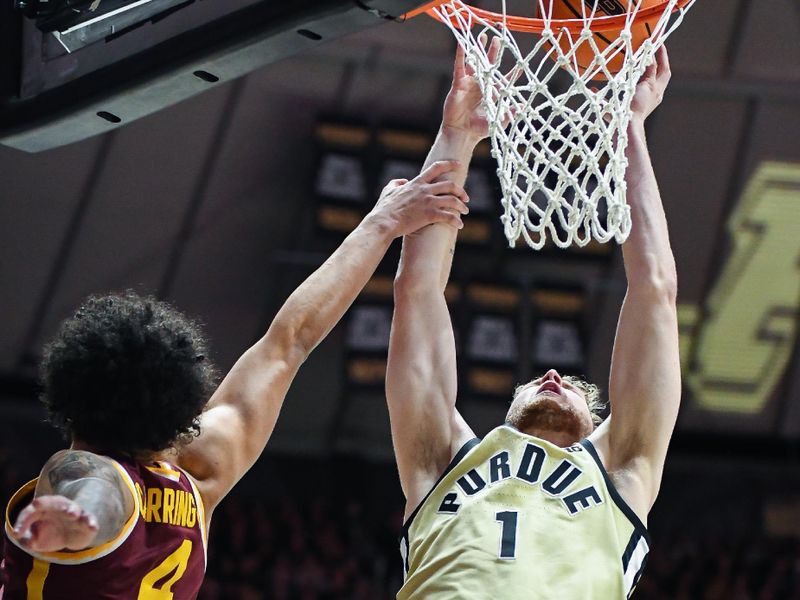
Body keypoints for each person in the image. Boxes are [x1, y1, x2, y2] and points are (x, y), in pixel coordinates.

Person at [0, 163, 469, 599]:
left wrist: (78, 521)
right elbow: (289, 342)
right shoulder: (200, 474)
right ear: (178, 405)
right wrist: (381, 224)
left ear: (72, 397)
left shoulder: (82, 469)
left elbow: (97, 489)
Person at [386, 43, 679, 599]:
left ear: (598, 426)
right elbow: (416, 292)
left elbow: (655, 289)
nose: (553, 378)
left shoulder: (622, 471)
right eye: (550, 381)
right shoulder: (441, 458)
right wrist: (457, 135)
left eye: (571, 385)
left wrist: (630, 126)